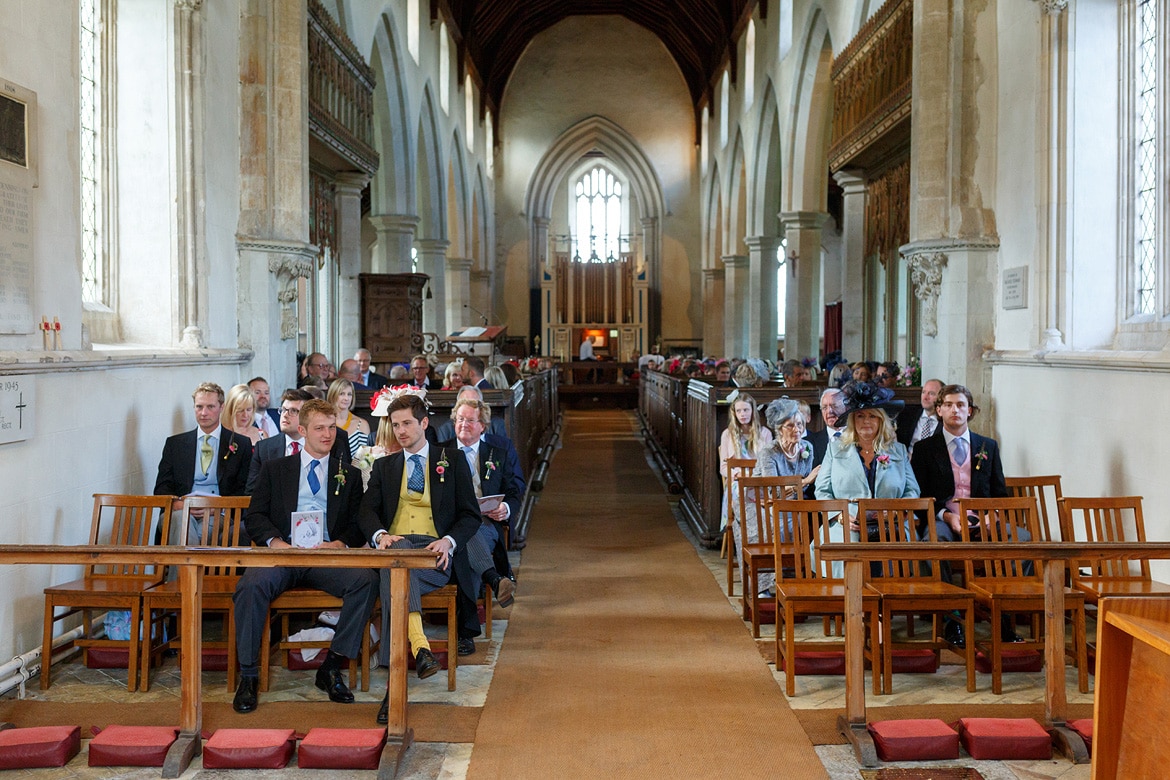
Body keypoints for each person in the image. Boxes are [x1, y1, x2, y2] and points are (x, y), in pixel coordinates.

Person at [230, 399, 378, 715]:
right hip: (285, 554)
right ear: (302, 430)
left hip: (326, 558)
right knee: (250, 586)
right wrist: (275, 543)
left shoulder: (347, 475)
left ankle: (332, 666)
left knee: (366, 580)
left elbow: (357, 523)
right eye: (319, 428)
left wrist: (339, 543)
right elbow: (254, 516)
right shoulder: (275, 470)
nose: (327, 434)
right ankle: (249, 676)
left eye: (332, 428)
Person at [358, 393, 481, 724]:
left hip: (432, 555)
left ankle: (392, 687)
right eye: (395, 425)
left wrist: (448, 541)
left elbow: (471, 516)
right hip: (395, 548)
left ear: (424, 423)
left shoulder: (451, 460)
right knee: (396, 567)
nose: (400, 431)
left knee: (395, 574)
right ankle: (418, 652)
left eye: (407, 423)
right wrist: (380, 535)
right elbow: (366, 511)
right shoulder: (385, 466)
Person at [910, 383, 1020, 646]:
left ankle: (1004, 618)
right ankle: (952, 621)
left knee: (1021, 542)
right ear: (939, 410)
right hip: (945, 518)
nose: (954, 410)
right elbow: (920, 496)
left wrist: (989, 516)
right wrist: (946, 517)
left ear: (969, 411)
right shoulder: (925, 449)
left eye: (960, 405)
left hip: (982, 519)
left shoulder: (987, 446)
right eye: (948, 405)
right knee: (934, 546)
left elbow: (999, 493)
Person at [441, 398, 523, 654]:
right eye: (460, 419)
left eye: (470, 420)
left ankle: (466, 632)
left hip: (486, 524)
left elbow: (513, 490)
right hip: (448, 525)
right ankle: (494, 580)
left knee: (468, 536)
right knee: (464, 540)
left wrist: (505, 508)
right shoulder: (439, 453)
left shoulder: (496, 454)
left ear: (483, 426)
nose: (464, 424)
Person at [815, 380, 919, 575]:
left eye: (873, 416)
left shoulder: (898, 450)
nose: (866, 421)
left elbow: (912, 491)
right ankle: (848, 602)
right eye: (860, 416)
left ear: (882, 420)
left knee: (891, 555)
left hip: (890, 527)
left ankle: (888, 602)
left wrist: (897, 512)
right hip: (846, 526)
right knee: (849, 550)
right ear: (853, 420)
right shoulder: (835, 449)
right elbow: (822, 490)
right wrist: (840, 516)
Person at [154, 382, 253, 542]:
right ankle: (193, 566)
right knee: (181, 523)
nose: (204, 413)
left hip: (219, 512)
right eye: (199, 407)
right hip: (181, 510)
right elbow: (161, 488)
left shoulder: (241, 444)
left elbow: (244, 489)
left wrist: (218, 506)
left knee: (196, 534)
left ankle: (184, 567)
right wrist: (177, 504)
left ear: (221, 407)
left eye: (210, 407)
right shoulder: (175, 444)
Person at [247, 388, 351, 494]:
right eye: (283, 410)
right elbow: (252, 492)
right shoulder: (264, 448)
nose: (285, 415)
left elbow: (345, 486)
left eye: (293, 411)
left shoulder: (332, 444)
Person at [758, 397, 819, 542]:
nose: (796, 429)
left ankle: (805, 561)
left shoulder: (807, 447)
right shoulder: (769, 452)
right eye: (790, 426)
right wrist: (805, 481)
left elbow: (803, 491)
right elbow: (774, 492)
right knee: (783, 518)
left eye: (799, 424)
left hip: (793, 503)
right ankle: (781, 562)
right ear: (779, 429)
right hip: (763, 504)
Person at [896, 378, 944, 455]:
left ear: (941, 397)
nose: (925, 397)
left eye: (931, 393)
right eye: (923, 392)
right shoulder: (906, 415)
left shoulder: (946, 421)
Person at [327, 377, 370, 460]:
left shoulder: (362, 424)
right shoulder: (325, 422)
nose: (346, 398)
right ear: (333, 395)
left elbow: (366, 459)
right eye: (342, 394)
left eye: (349, 394)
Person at [222, 383, 265, 448]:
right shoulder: (221, 434)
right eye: (240, 410)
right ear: (230, 409)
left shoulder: (261, 434)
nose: (245, 415)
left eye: (248, 409)